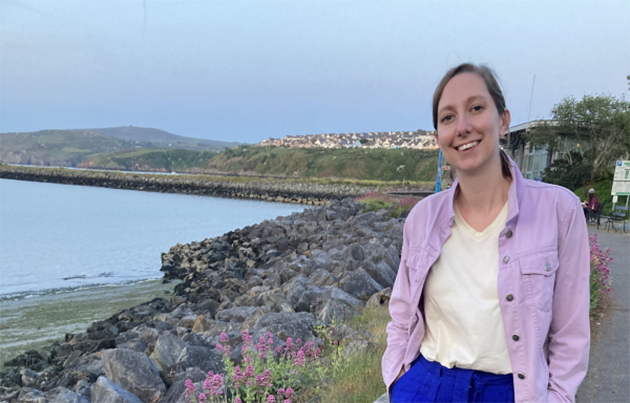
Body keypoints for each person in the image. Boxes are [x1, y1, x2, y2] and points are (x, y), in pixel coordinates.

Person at [382, 63, 590, 403]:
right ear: (438, 137)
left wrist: (558, 398)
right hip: (426, 384)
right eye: (448, 118)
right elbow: (402, 313)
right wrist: (397, 379)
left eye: (476, 108)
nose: (462, 127)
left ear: (503, 120)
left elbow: (571, 333)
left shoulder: (559, 211)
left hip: (511, 390)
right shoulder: (421, 219)